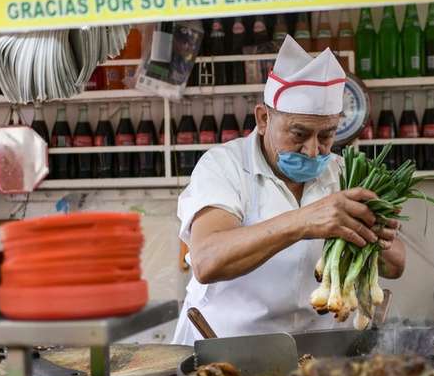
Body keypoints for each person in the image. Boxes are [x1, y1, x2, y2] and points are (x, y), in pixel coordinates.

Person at [173, 36, 406, 345]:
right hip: (225, 345)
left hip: (315, 354)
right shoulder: (224, 166)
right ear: (263, 119)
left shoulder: (343, 172)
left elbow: (396, 265)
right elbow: (206, 261)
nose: (313, 150)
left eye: (326, 135)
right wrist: (304, 222)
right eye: (299, 134)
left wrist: (375, 234)